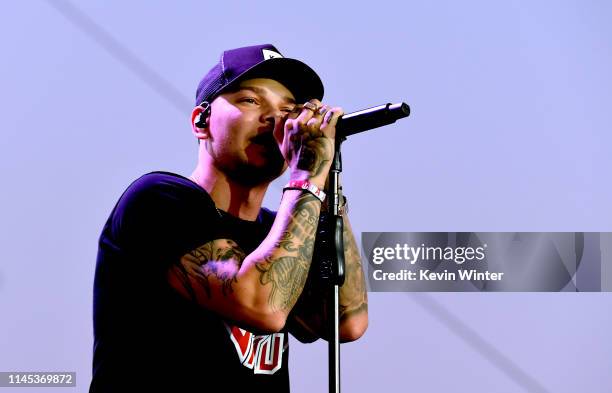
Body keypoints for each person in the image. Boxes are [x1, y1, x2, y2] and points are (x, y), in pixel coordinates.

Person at [89, 44, 368, 393]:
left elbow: (346, 323)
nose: (275, 119)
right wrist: (306, 179)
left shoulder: (278, 230)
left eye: (289, 110)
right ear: (201, 121)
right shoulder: (159, 199)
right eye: (251, 101)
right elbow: (261, 305)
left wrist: (327, 190)